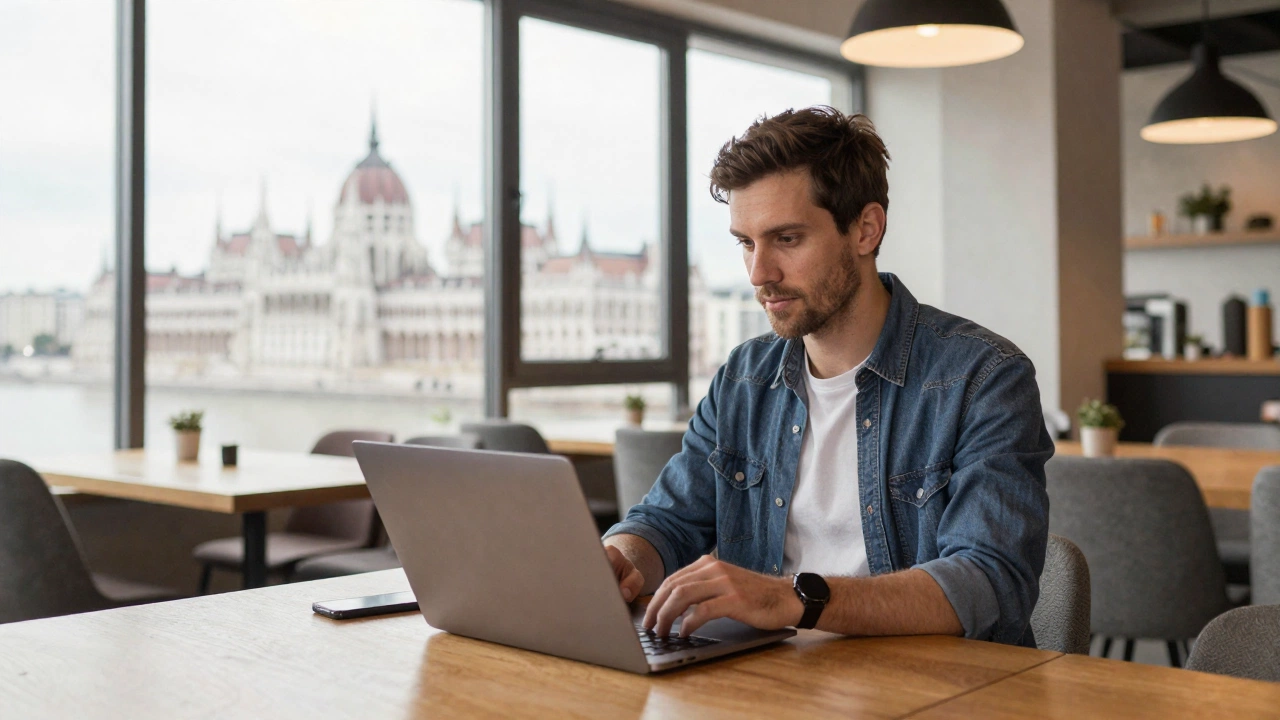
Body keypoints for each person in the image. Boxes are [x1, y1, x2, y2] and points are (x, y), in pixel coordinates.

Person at [603, 106, 1053, 647]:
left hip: (936, 691)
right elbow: (667, 523)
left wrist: (792, 597)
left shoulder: (983, 377)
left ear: (866, 229)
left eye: (786, 239)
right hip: (774, 686)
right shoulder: (744, 379)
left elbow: (989, 581)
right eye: (746, 242)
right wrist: (621, 558)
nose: (758, 274)